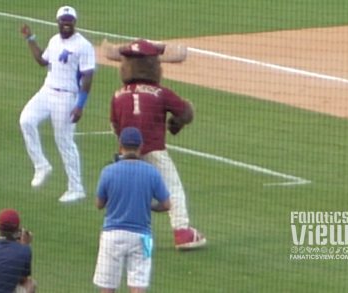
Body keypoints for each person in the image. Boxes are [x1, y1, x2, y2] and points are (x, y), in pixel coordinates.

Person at [110, 39, 207, 250]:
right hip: (154, 149)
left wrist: (123, 148)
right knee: (173, 187)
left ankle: (124, 233)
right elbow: (184, 111)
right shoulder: (161, 93)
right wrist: (177, 123)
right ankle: (182, 233)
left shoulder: (117, 95)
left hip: (127, 153)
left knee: (129, 192)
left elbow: (115, 125)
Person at [19, 5, 96, 203]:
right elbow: (42, 61)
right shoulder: (54, 40)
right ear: (58, 22)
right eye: (63, 20)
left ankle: (76, 187)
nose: (66, 24)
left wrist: (80, 104)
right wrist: (30, 39)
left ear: (75, 22)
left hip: (67, 96)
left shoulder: (83, 46)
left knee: (64, 140)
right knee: (26, 120)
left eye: (70, 21)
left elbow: (88, 76)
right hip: (47, 91)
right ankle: (41, 165)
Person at [93, 127, 171, 293]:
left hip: (112, 235)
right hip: (143, 236)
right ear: (140, 146)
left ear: (120, 146)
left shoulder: (108, 171)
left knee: (107, 287)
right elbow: (167, 204)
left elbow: (99, 204)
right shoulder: (152, 172)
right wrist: (149, 206)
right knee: (138, 287)